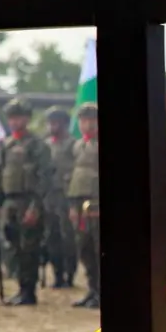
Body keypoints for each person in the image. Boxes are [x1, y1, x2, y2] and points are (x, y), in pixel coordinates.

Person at [0, 98, 54, 306]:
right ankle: (20, 287)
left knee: (29, 248)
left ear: (27, 119)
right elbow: (0, 176)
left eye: (18, 117)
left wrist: (36, 207)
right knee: (13, 247)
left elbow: (45, 177)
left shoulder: (38, 146)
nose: (14, 122)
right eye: (11, 118)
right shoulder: (7, 145)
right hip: (10, 202)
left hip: (29, 201)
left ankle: (29, 291)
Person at [68, 105, 101, 309]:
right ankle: (92, 290)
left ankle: (102, 292)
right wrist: (72, 206)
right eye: (82, 120)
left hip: (96, 204)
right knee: (85, 248)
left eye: (90, 120)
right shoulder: (78, 146)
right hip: (79, 205)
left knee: (99, 249)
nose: (86, 124)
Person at [44, 107, 79, 289]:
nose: (52, 126)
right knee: (52, 237)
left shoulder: (73, 145)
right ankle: (57, 274)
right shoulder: (46, 144)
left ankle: (69, 274)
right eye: (50, 122)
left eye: (56, 122)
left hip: (66, 196)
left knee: (68, 237)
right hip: (50, 196)